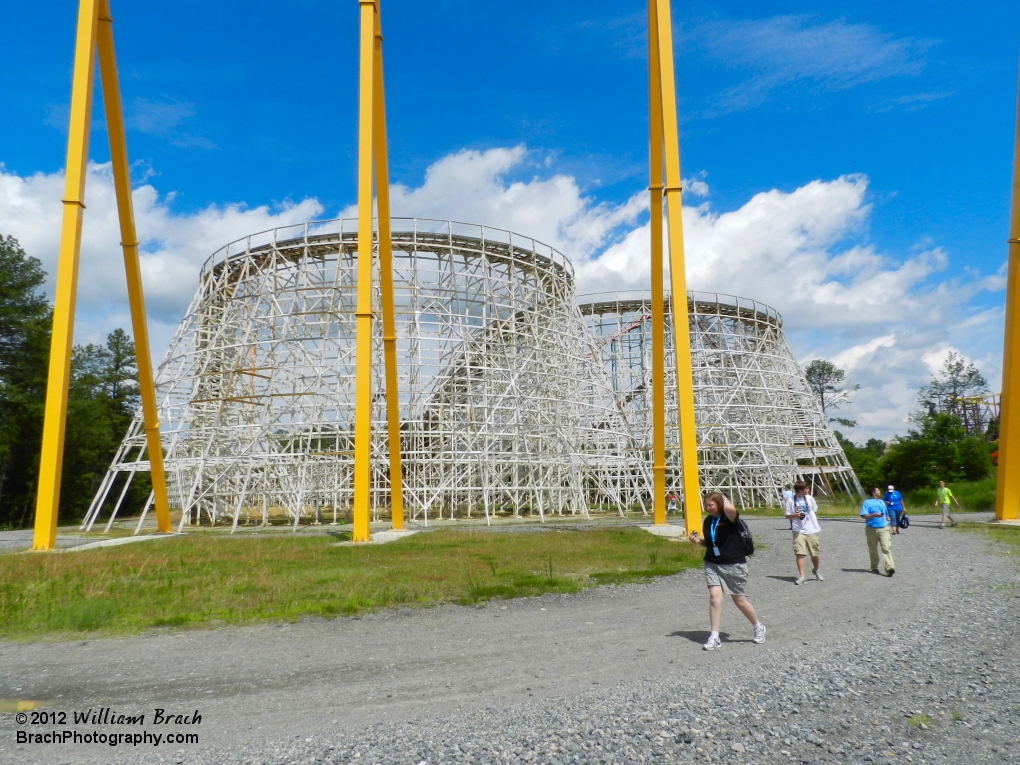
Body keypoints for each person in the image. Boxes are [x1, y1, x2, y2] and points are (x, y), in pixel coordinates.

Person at [688, 492, 766, 650]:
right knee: (714, 599)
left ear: (719, 504)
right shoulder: (709, 520)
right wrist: (698, 542)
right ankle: (714, 636)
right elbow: (711, 543)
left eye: (710, 505)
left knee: (739, 600)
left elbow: (730, 508)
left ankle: (758, 626)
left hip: (733, 563)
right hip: (712, 562)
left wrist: (723, 497)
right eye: (705, 505)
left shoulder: (728, 517)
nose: (707, 508)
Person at [784, 481, 822, 585]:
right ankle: (802, 576)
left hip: (811, 529)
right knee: (799, 552)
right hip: (798, 529)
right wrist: (795, 515)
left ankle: (816, 570)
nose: (808, 489)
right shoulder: (791, 500)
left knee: (814, 552)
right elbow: (787, 515)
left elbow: (815, 509)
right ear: (800, 490)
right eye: (806, 488)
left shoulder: (810, 499)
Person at [861, 486, 895, 577]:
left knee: (886, 548)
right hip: (871, 529)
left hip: (884, 528)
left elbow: (886, 514)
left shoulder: (881, 502)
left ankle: (889, 568)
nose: (880, 491)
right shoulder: (867, 503)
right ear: (873, 492)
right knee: (873, 549)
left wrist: (888, 523)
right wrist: (873, 515)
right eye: (877, 490)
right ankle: (874, 566)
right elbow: (863, 516)